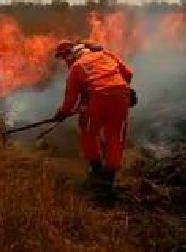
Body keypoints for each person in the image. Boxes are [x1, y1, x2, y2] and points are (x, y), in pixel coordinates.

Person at [53, 40, 133, 199]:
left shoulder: (76, 67)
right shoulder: (105, 54)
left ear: (71, 54)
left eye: (64, 58)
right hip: (121, 97)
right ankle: (108, 179)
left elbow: (70, 99)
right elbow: (128, 74)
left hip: (99, 99)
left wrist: (62, 113)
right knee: (115, 136)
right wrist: (120, 89)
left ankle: (96, 171)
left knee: (88, 131)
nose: (65, 62)